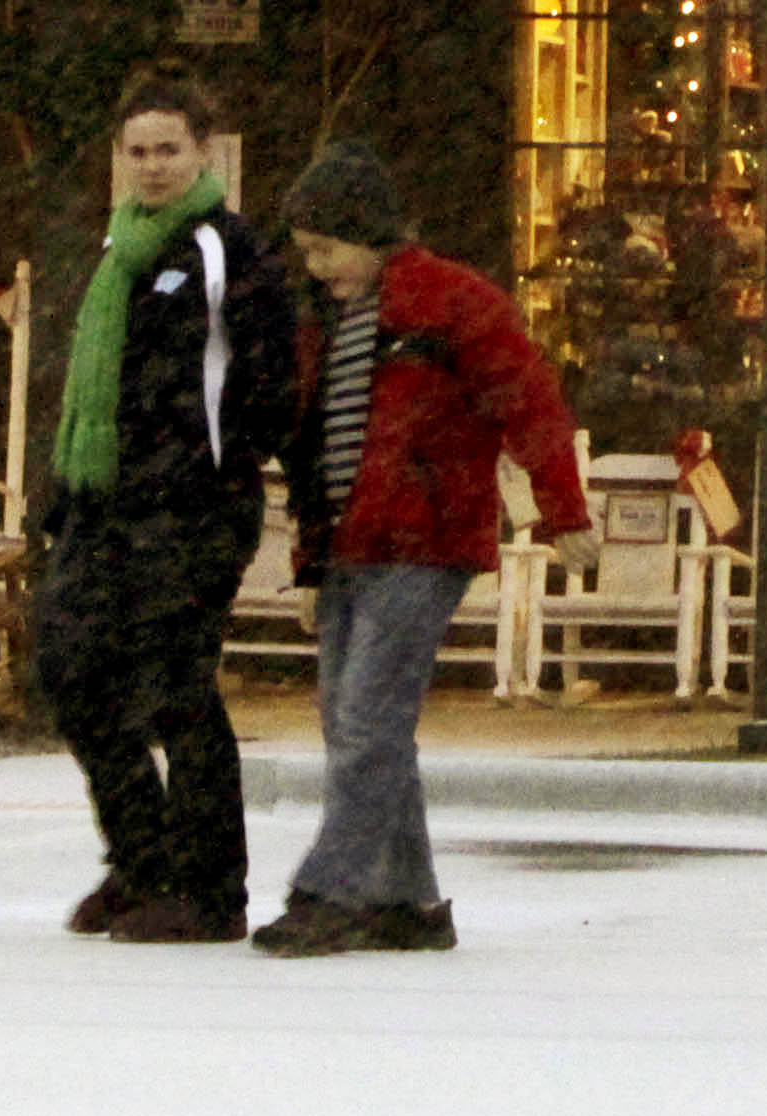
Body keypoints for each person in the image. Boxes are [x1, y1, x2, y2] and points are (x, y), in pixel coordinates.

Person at [251, 139, 593, 957]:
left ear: (366, 234)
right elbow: (311, 453)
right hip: (347, 544)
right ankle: (407, 899)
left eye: (325, 249)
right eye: (307, 253)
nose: (318, 267)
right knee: (352, 720)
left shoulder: (453, 304)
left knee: (367, 718)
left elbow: (529, 400)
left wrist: (562, 509)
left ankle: (332, 889)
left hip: (423, 541)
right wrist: (308, 562)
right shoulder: (324, 325)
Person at [35, 71, 297, 945]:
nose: (151, 167)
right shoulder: (119, 252)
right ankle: (141, 860)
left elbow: (266, 382)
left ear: (202, 154)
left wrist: (214, 471)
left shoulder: (228, 251)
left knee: (177, 694)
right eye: (137, 152)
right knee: (74, 676)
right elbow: (91, 391)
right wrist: (63, 501)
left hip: (189, 514)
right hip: (103, 509)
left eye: (167, 150)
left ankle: (210, 889)